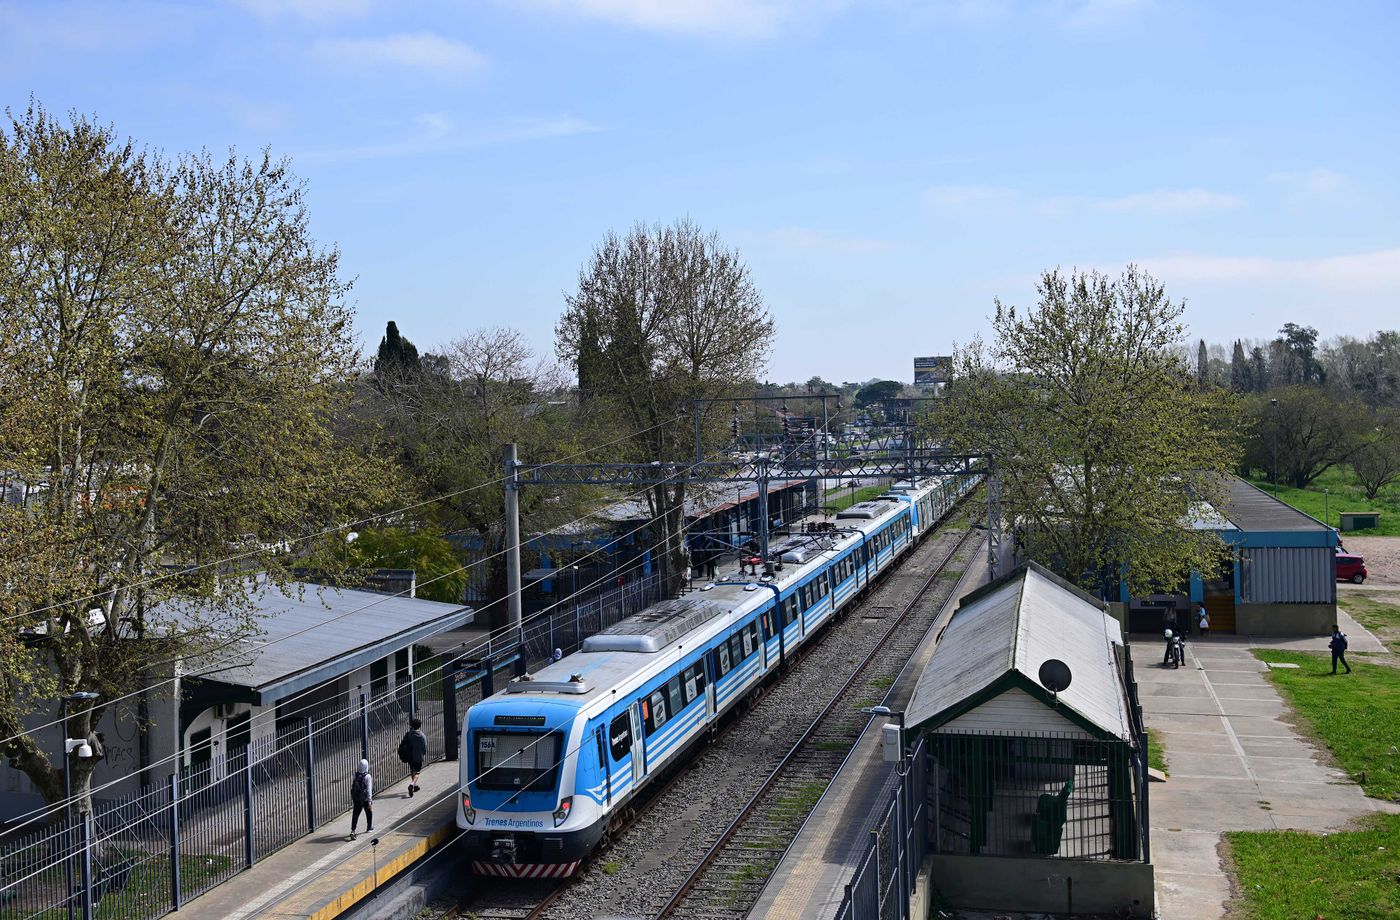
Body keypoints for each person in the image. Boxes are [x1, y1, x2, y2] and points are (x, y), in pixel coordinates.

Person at [398, 718, 428, 797]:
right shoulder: (422, 736)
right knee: (417, 772)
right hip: (418, 756)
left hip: (410, 756)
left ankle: (414, 786)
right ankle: (411, 785)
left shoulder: (409, 734)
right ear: (420, 726)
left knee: (412, 770)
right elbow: (424, 746)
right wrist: (424, 753)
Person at [349, 759, 373, 840]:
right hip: (365, 798)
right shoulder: (368, 776)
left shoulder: (355, 775)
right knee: (368, 812)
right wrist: (370, 801)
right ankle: (369, 827)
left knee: (355, 814)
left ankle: (353, 830)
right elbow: (369, 789)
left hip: (357, 798)